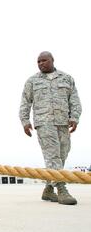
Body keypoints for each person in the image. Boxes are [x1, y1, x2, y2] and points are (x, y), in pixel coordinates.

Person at [19, 51, 82, 205]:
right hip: (44, 123)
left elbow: (74, 99)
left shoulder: (66, 78)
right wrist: (25, 121)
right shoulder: (32, 81)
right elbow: (25, 102)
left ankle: (48, 190)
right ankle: (61, 189)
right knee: (52, 156)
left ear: (52, 60)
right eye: (38, 61)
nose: (41, 63)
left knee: (62, 154)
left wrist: (74, 118)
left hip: (63, 123)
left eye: (44, 60)